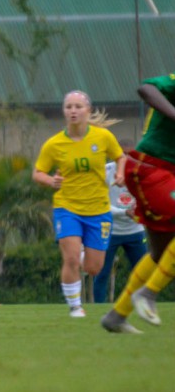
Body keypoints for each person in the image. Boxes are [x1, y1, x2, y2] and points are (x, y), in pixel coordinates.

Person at [32, 90, 124, 318]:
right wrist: (51, 181)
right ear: (64, 111)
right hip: (67, 208)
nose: (73, 111)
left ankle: (83, 254)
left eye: (78, 107)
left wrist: (120, 173)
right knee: (70, 258)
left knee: (94, 268)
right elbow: (38, 173)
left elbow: (120, 157)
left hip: (98, 209)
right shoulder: (54, 144)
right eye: (68, 107)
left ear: (88, 111)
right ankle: (75, 307)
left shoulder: (103, 137)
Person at [101, 74, 175, 332]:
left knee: (160, 253)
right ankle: (148, 294)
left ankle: (116, 316)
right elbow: (147, 89)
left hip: (164, 178)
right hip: (149, 169)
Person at [92, 140, 147, 304]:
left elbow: (149, 197)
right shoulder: (105, 171)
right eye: (124, 155)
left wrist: (140, 209)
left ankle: (142, 305)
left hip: (135, 231)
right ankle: (98, 308)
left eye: (132, 155)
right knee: (101, 273)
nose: (127, 159)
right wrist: (124, 212)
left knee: (143, 273)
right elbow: (99, 203)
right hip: (109, 230)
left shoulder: (142, 172)